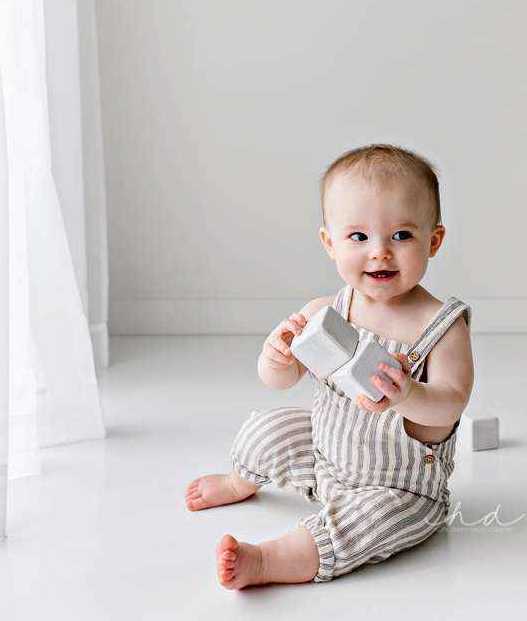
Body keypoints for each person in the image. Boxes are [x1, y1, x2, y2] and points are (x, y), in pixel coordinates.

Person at [184, 143, 474, 588]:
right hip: (325, 458)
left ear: (433, 240)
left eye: (401, 235)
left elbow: (451, 405)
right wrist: (275, 357)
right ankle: (238, 480)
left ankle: (268, 560)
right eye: (358, 237)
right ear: (330, 243)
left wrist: (409, 394)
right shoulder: (329, 311)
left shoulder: (441, 327)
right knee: (270, 428)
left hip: (399, 489)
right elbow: (279, 382)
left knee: (366, 524)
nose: (379, 252)